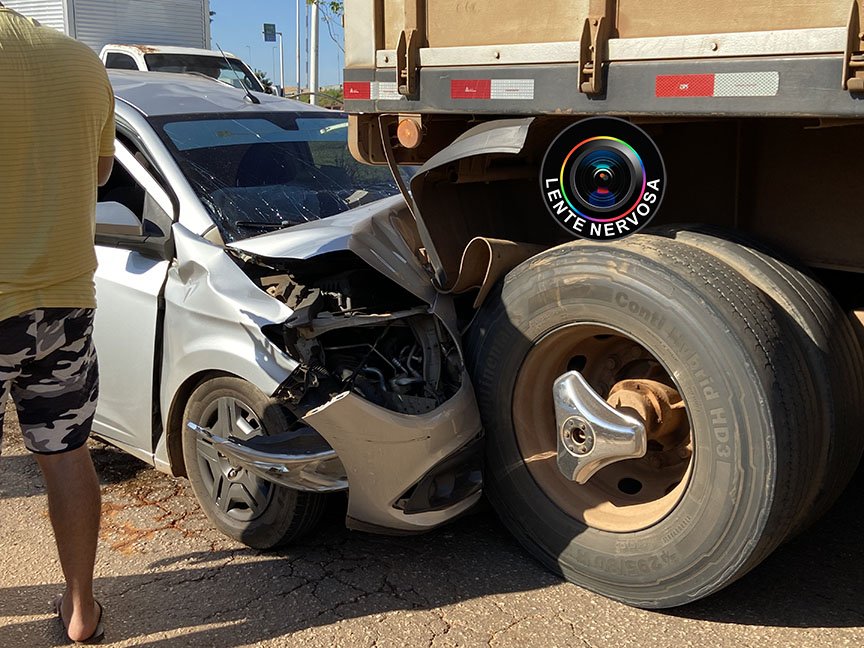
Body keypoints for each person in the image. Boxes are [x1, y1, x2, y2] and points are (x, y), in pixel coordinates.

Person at [0, 3, 114, 643]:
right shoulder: (82, 63)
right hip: (66, 304)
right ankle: (80, 612)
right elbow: (99, 173)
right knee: (67, 456)